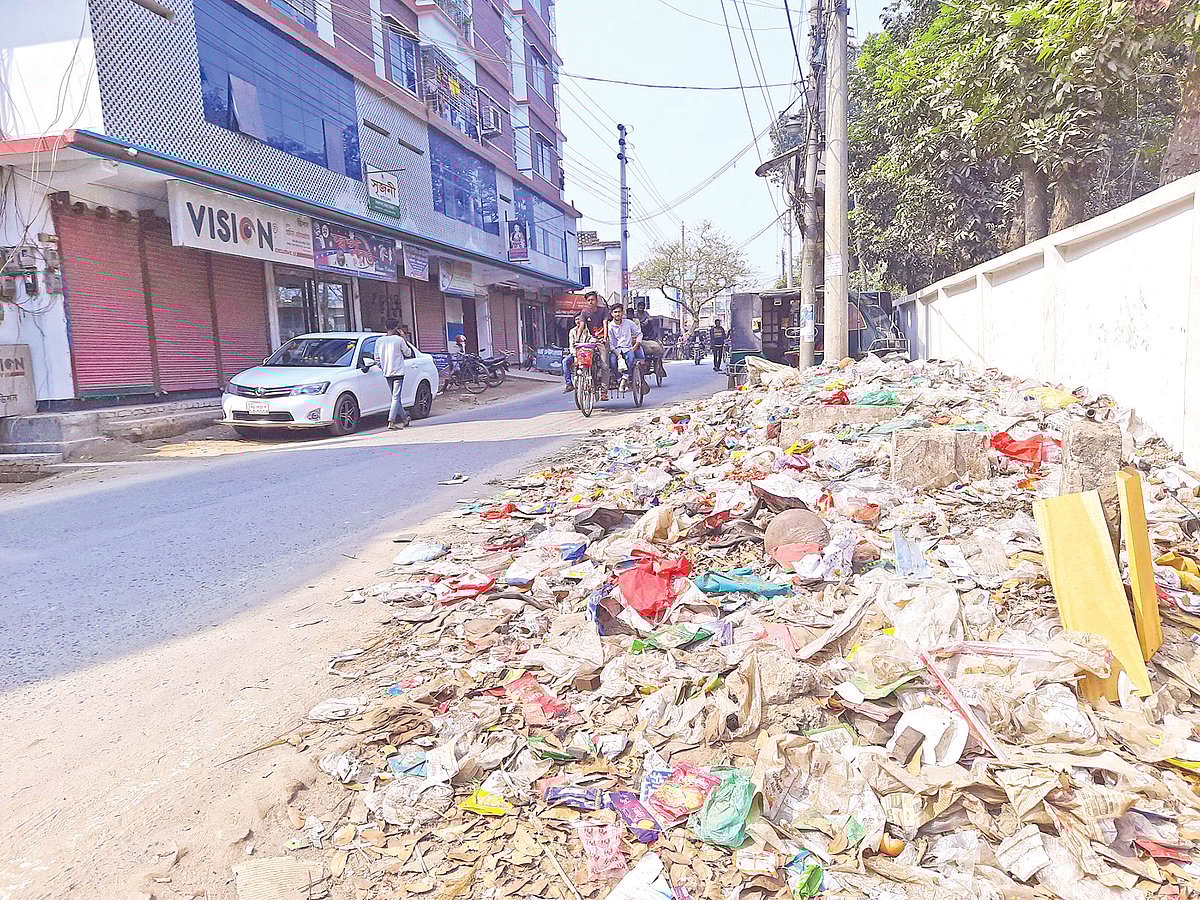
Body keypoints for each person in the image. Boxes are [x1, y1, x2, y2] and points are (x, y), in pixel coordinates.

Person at [376, 320, 412, 429]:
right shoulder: (399, 340)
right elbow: (408, 353)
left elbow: (376, 358)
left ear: (385, 327)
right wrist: (404, 338)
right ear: (396, 328)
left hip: (387, 372)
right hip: (398, 372)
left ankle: (405, 417)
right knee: (396, 397)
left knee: (395, 397)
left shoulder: (379, 341)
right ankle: (391, 421)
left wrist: (383, 367)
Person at [582, 291, 611, 400]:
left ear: (596, 300)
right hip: (591, 340)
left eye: (592, 300)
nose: (591, 302)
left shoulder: (603, 310)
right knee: (585, 361)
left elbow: (605, 324)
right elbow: (581, 325)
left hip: (602, 339)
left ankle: (604, 391)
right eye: (588, 300)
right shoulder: (584, 312)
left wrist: (605, 337)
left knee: (605, 365)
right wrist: (577, 340)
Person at [607, 303, 643, 390]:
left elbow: (639, 333)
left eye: (619, 312)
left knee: (631, 358)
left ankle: (625, 377)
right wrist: (617, 354)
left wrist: (637, 344)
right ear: (612, 314)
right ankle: (619, 379)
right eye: (615, 312)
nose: (617, 314)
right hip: (615, 350)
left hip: (627, 348)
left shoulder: (629, 323)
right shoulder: (609, 326)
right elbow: (610, 342)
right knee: (612, 361)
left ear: (622, 313)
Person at [562, 314, 589, 393]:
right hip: (576, 353)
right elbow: (571, 345)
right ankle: (569, 384)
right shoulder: (572, 331)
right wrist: (575, 355)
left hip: (588, 353)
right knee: (565, 362)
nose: (578, 321)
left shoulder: (588, 330)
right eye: (576, 319)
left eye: (580, 319)